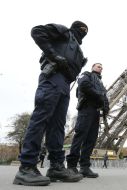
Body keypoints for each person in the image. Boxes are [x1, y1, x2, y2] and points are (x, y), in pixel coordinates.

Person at [13, 21, 88, 186]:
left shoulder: (78, 49)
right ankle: (26, 167)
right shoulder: (64, 32)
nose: (84, 31)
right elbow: (37, 31)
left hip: (65, 84)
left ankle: (56, 166)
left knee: (58, 126)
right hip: (53, 77)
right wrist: (53, 55)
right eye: (82, 29)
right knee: (41, 118)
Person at [66, 63, 109, 178]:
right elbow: (83, 85)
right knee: (80, 136)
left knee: (91, 140)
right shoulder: (86, 75)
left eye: (102, 67)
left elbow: (104, 97)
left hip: (96, 112)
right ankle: (71, 165)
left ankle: (84, 167)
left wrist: (106, 108)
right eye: (98, 66)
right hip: (86, 108)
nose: (101, 68)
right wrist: (99, 95)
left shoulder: (100, 83)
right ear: (93, 67)